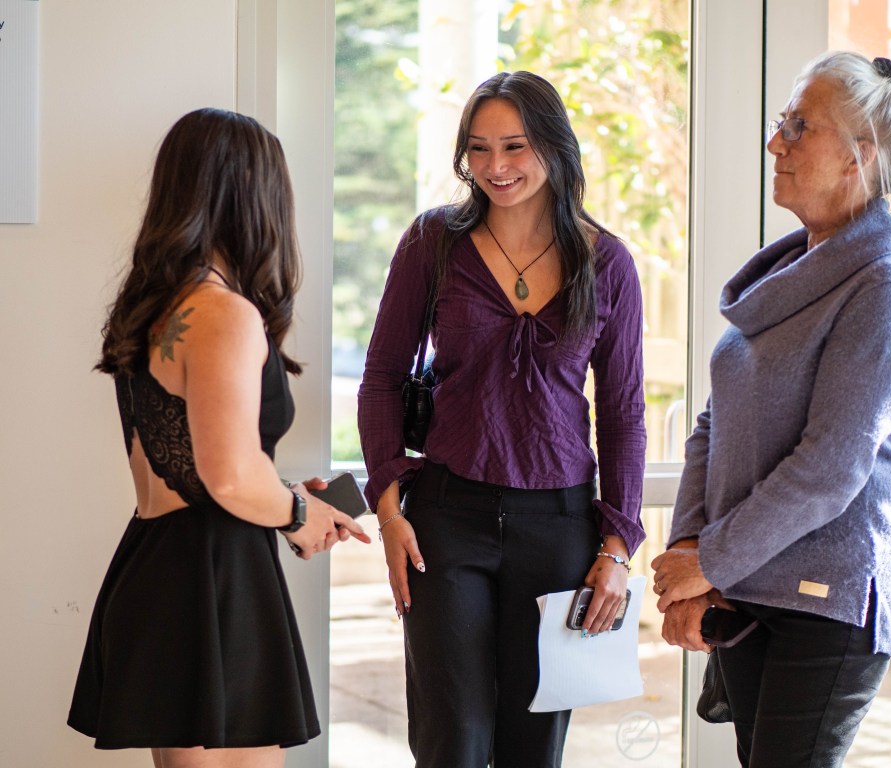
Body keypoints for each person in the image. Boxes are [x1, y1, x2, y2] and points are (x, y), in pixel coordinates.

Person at [652, 51, 891, 768]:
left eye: (799, 127)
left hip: (830, 598)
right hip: (749, 583)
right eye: (784, 123)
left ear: (857, 158)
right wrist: (692, 555)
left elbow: (830, 469)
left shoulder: (884, 293)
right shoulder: (787, 276)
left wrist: (710, 558)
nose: (776, 142)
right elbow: (713, 427)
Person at [357, 70, 646, 767]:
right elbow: (381, 382)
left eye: (514, 147)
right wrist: (391, 512)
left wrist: (616, 550)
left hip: (559, 528)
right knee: (451, 743)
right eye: (479, 149)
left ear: (553, 146)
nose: (495, 167)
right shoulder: (432, 243)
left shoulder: (606, 263)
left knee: (532, 747)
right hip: (446, 521)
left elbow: (624, 413)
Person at [68, 108, 371, 768]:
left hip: (158, 562)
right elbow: (229, 477)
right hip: (212, 578)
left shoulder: (152, 306)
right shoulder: (224, 314)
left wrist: (286, 499)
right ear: (254, 194)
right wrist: (298, 511)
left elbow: (198, 464)